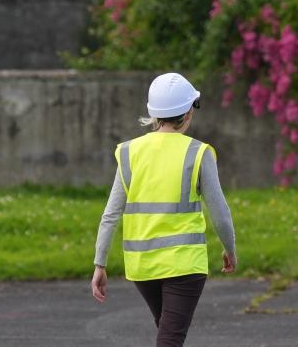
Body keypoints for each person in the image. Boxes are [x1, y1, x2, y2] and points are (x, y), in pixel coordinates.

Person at [90, 72, 237, 347]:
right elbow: (220, 213)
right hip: (184, 265)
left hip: (142, 267)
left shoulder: (129, 152)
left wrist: (100, 263)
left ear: (153, 113)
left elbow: (111, 214)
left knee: (168, 334)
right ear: (189, 112)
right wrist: (230, 249)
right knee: (170, 338)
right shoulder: (198, 152)